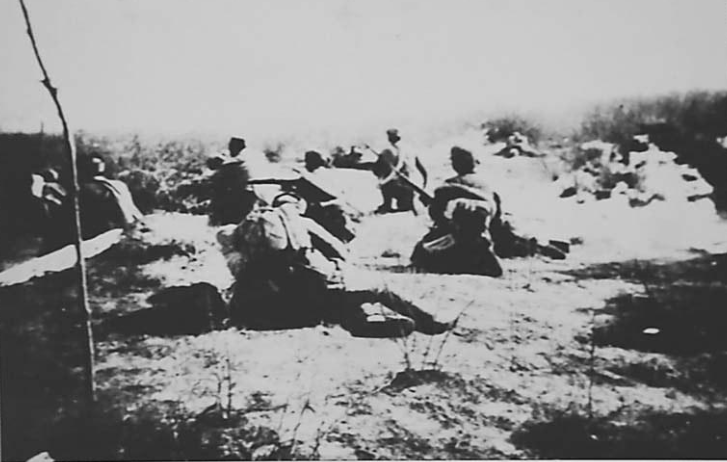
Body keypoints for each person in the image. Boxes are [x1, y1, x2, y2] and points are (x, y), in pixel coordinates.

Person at [412, 146, 503, 276]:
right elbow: (496, 216)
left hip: (459, 235)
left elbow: (438, 216)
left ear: (455, 164)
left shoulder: (448, 186)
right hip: (481, 235)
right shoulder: (487, 184)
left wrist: (430, 204)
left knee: (422, 252)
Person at [371, 128, 428, 214]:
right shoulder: (410, 148)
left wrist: (383, 182)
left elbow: (397, 168)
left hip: (409, 182)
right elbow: (421, 168)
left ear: (391, 139)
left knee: (386, 186)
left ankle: (387, 206)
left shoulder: (400, 149)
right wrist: (424, 181)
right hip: (415, 181)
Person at [207, 137, 258, 226]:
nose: (230, 149)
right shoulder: (248, 158)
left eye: (232, 147)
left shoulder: (237, 161)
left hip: (238, 198)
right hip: (243, 196)